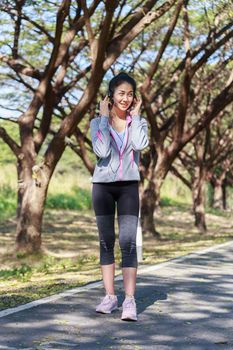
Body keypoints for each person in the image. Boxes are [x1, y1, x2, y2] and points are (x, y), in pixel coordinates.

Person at [90, 72, 149, 321]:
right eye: (121, 93)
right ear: (111, 96)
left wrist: (134, 118)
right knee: (106, 241)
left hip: (128, 188)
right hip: (102, 187)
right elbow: (101, 150)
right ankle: (110, 297)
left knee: (128, 243)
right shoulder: (96, 123)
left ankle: (129, 301)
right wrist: (104, 119)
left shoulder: (139, 122)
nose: (125, 98)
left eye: (129, 94)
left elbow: (139, 145)